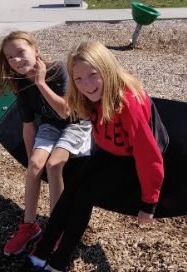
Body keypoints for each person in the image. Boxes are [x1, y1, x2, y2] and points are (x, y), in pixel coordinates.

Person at [29, 41, 166, 271]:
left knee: (84, 194)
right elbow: (68, 111)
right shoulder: (88, 95)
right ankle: (44, 248)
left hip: (130, 157)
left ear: (107, 69)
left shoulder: (127, 102)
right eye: (79, 79)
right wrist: (40, 82)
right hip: (110, 150)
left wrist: (149, 203)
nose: (87, 85)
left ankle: (59, 260)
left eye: (93, 74)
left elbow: (148, 155)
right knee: (71, 189)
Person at [0, 31, 92, 256]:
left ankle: (57, 229)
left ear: (35, 50)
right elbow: (28, 125)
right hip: (50, 126)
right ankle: (29, 226)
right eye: (10, 57)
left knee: (54, 165)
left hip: (77, 123)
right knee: (37, 166)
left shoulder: (58, 70)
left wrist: (40, 83)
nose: (16, 60)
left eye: (21, 53)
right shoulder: (19, 84)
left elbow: (66, 111)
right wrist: (31, 161)